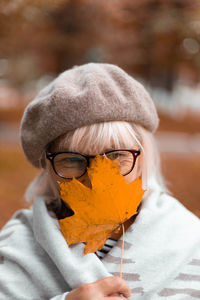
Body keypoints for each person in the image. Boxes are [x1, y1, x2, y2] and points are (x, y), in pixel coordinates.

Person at [0, 63, 199, 300]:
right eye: (73, 160)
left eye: (115, 156)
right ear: (47, 166)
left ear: (144, 155)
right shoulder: (18, 245)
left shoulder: (188, 240)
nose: (94, 181)